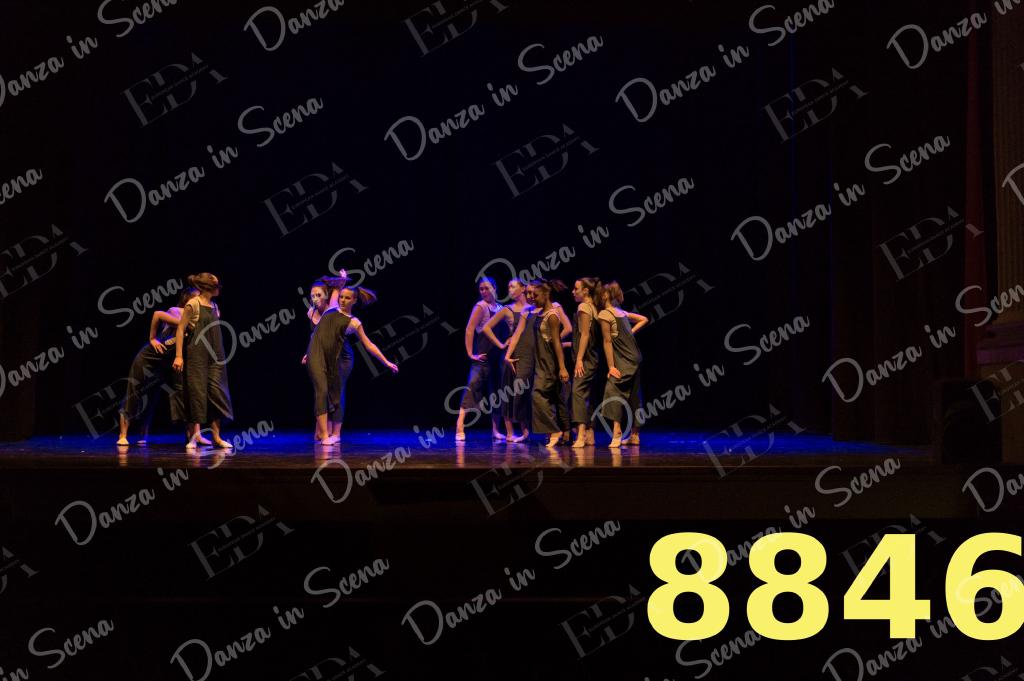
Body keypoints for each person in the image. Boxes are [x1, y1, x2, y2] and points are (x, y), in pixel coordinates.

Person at [307, 285, 398, 444]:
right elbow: (317, 334)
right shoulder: (331, 308)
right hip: (318, 354)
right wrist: (308, 353)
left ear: (354, 301)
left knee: (336, 393)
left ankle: (335, 434)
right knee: (322, 390)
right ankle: (324, 434)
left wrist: (386, 362)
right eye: (341, 297)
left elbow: (369, 345)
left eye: (347, 298)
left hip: (342, 359)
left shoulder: (354, 322)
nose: (342, 300)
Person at [117, 287, 199, 446]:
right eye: (195, 298)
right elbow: (157, 314)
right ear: (187, 299)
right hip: (149, 357)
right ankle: (123, 434)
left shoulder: (196, 317)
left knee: (162, 395)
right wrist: (152, 338)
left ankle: (149, 434)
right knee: (134, 392)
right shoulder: (177, 311)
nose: (198, 302)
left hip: (167, 361)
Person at [172, 273, 234, 449]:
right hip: (197, 355)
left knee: (217, 394)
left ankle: (217, 437)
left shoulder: (214, 306)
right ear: (208, 288)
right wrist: (178, 356)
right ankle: (193, 437)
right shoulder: (193, 304)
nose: (219, 289)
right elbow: (180, 329)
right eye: (216, 286)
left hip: (216, 356)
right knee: (196, 394)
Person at [455, 277, 506, 441]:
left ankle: (495, 430)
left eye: (487, 288)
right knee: (472, 386)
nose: (483, 291)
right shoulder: (481, 306)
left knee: (497, 392)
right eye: (481, 289)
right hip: (483, 354)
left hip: (497, 356)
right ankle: (459, 425)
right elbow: (469, 329)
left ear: (494, 288)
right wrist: (470, 353)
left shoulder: (501, 308)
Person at [597, 281, 648, 447]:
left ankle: (617, 432)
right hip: (635, 356)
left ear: (606, 295)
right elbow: (644, 319)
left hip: (625, 358)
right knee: (634, 395)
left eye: (601, 293)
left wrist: (611, 366)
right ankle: (635, 435)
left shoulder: (605, 314)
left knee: (612, 390)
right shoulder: (622, 313)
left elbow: (607, 341)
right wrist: (629, 333)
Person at [482, 278, 530, 440]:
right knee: (508, 391)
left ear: (523, 289)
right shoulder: (507, 310)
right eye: (508, 286)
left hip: (527, 354)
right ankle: (510, 432)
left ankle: (525, 429)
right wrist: (501, 344)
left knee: (524, 392)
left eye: (513, 286)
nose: (509, 289)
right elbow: (486, 327)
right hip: (510, 354)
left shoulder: (532, 308)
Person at [529, 279, 571, 447]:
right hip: (539, 359)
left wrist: (562, 368)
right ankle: (555, 431)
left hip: (548, 361)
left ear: (546, 295)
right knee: (550, 397)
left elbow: (557, 344)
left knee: (538, 395)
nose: (532, 298)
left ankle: (555, 430)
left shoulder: (552, 316)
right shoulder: (540, 313)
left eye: (536, 295)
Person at [570, 278, 602, 448]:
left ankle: (580, 435)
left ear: (585, 291)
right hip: (593, 356)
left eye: (576, 289)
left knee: (578, 393)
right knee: (588, 394)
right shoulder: (593, 307)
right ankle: (590, 434)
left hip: (586, 357)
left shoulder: (583, 306)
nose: (573, 292)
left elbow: (585, 335)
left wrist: (579, 359)